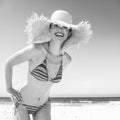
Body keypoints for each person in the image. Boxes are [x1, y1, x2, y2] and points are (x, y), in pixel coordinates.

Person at [5, 10, 92, 120]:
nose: (60, 29)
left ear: (69, 33)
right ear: (49, 28)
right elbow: (9, 63)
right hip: (22, 103)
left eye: (65, 27)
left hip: (43, 105)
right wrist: (10, 89)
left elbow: (46, 83)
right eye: (56, 25)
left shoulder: (66, 59)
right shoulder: (36, 50)